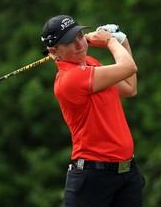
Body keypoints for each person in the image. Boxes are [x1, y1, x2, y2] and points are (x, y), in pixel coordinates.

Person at [41, 15, 145, 207]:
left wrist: (123, 41)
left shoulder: (90, 63)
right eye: (70, 42)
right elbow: (129, 66)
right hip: (92, 180)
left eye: (80, 36)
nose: (80, 44)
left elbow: (130, 87)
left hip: (127, 174)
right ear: (54, 51)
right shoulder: (69, 79)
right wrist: (110, 41)